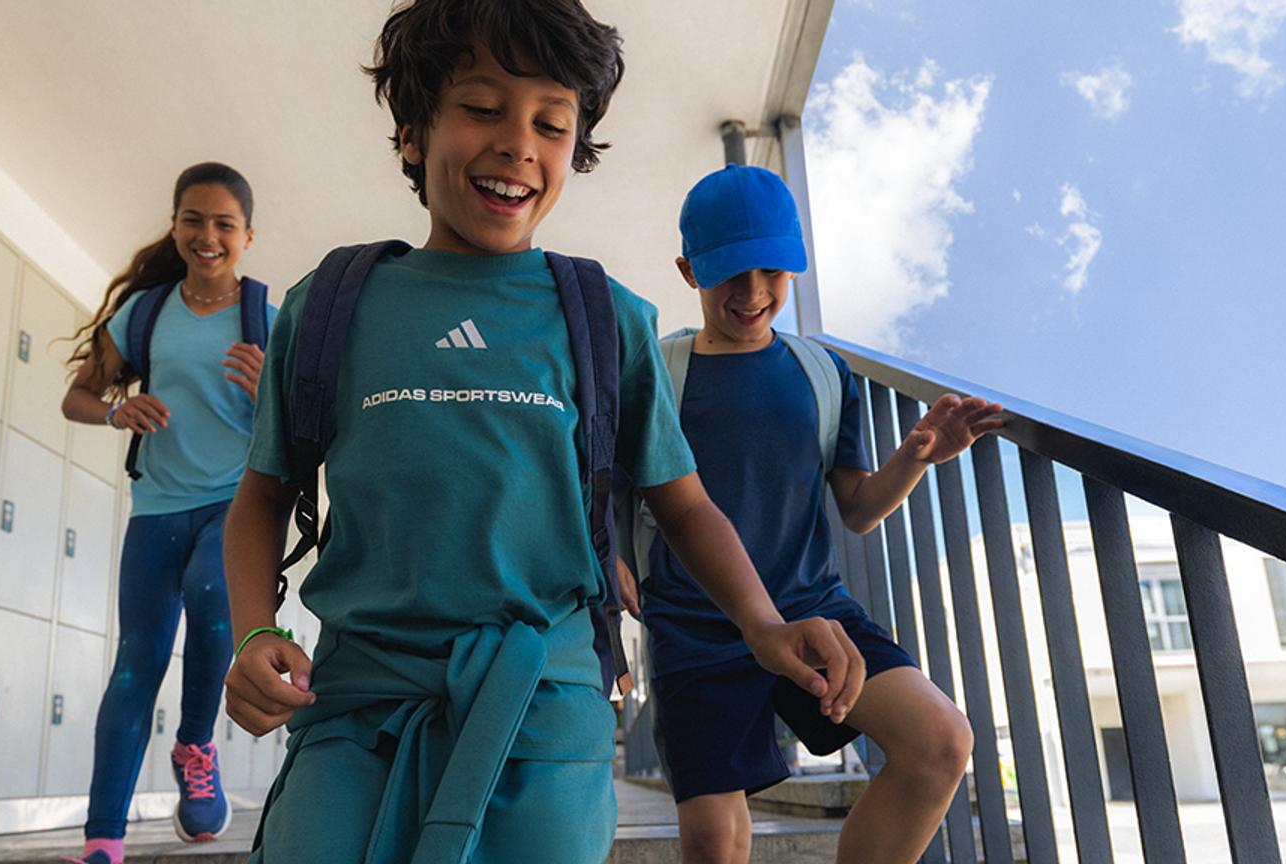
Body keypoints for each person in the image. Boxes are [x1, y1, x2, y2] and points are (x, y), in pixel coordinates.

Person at [219, 3, 864, 862]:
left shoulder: (606, 320)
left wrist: (765, 623)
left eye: (551, 124)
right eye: (482, 109)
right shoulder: (330, 306)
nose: (519, 143)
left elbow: (685, 504)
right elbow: (262, 498)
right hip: (355, 703)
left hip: (546, 701)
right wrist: (255, 631)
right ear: (412, 132)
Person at [622, 163, 1003, 864]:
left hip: (815, 612)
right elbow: (619, 492)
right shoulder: (656, 371)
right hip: (695, 627)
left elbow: (857, 509)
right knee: (713, 840)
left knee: (940, 742)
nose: (753, 291)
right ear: (688, 271)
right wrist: (609, 560)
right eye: (730, 272)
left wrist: (917, 455)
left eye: (772, 270)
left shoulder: (823, 373)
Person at [59, 162, 275, 864]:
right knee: (136, 664)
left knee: (212, 593)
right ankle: (103, 839)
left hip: (231, 504)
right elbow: (79, 397)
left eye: (223, 225)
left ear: (247, 236)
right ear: (176, 224)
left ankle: (195, 743)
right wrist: (118, 409)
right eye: (193, 220)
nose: (206, 236)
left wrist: (271, 386)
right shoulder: (144, 314)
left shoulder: (267, 321)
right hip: (156, 509)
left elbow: (310, 425)